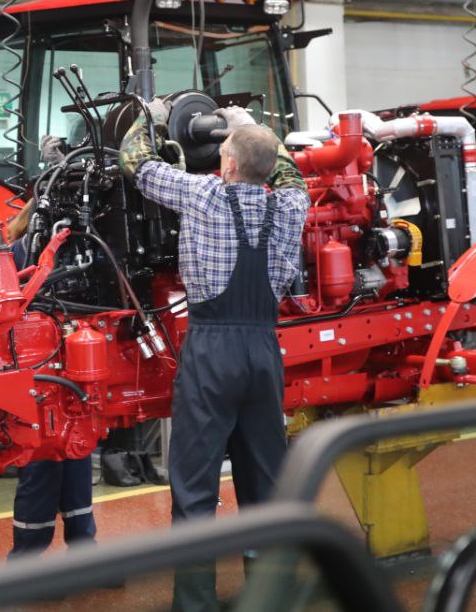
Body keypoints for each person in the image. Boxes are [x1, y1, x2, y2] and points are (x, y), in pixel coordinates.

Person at [119, 104, 309, 612]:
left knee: (195, 485)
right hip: (265, 352)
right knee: (266, 480)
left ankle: (196, 604)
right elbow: (289, 173)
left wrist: (153, 117)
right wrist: (248, 126)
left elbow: (135, 162)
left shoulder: (202, 195)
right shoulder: (290, 206)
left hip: (211, 351)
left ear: (225, 163)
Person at [1, 200, 98, 559]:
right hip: (37, 364)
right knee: (41, 458)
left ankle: (84, 553)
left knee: (76, 450)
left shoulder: (75, 244)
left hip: (69, 357)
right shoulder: (23, 249)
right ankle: (26, 559)